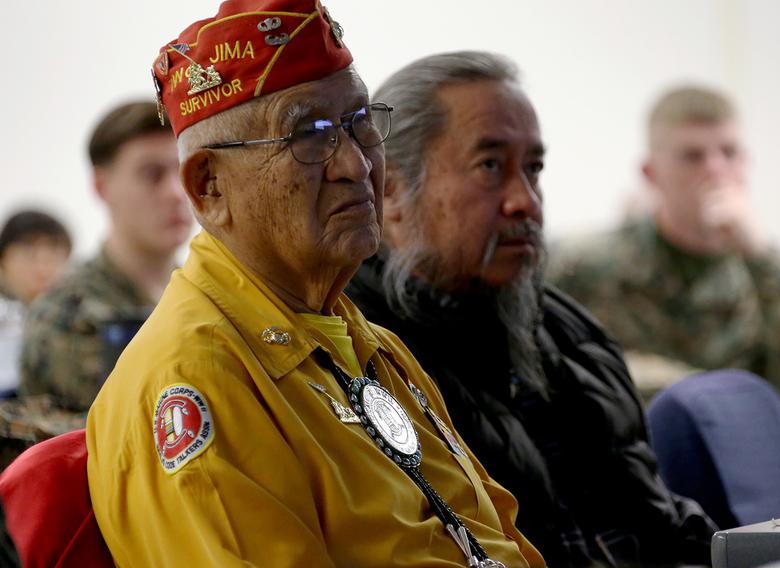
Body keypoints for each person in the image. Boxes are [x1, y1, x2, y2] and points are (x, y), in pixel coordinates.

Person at [86, 3, 543, 567]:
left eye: (361, 124)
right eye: (310, 135)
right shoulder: (192, 379)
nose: (354, 163)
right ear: (209, 188)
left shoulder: (373, 345)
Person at [345, 51, 716, 568]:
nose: (525, 201)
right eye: (490, 166)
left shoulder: (570, 331)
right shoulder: (359, 354)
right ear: (391, 191)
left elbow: (659, 524)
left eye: (533, 169)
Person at [553, 85, 780, 403]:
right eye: (692, 156)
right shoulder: (589, 263)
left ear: (747, 162)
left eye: (729, 152)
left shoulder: (768, 274)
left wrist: (761, 253)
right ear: (651, 173)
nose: (715, 169)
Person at [19, 101, 193, 411]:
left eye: (183, 170)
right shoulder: (67, 317)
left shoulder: (205, 295)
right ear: (102, 186)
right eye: (151, 174)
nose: (175, 192)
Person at [0, 210, 72, 396]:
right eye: (29, 255)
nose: (43, 269)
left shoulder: (79, 322)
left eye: (54, 256)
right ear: (3, 260)